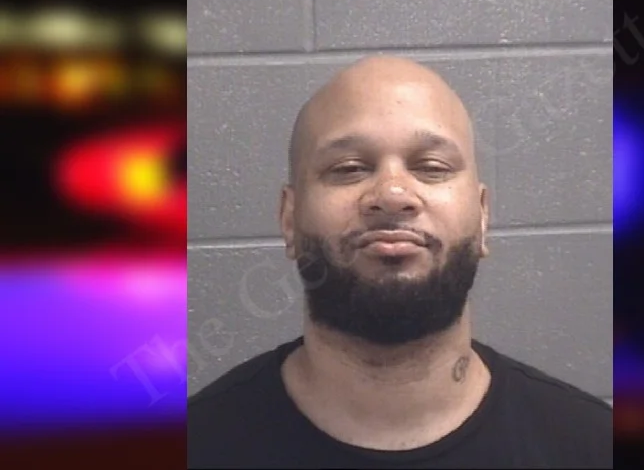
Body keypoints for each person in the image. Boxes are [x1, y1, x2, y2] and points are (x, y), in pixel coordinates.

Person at [188, 56, 612, 469]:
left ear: (483, 216)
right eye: (349, 168)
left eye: (431, 167)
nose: (392, 195)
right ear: (289, 219)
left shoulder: (594, 447)